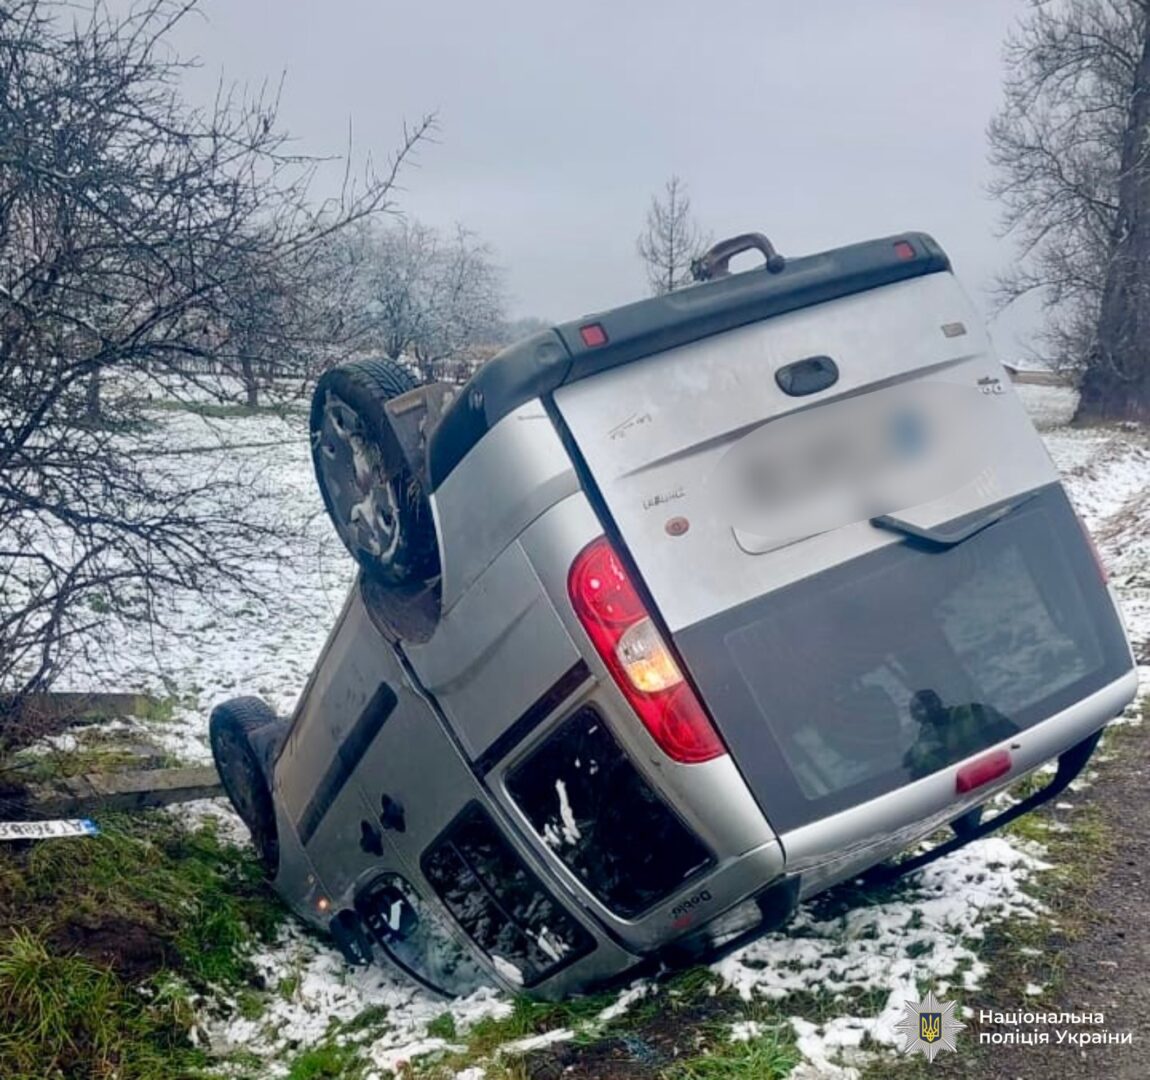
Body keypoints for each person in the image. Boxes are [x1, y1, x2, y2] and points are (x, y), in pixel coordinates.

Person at [902, 689, 1017, 780]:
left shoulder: (976, 712)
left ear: (938, 700)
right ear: (914, 716)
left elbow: (1017, 742)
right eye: (919, 708)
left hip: (1004, 772)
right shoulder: (918, 751)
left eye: (928, 701)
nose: (927, 709)